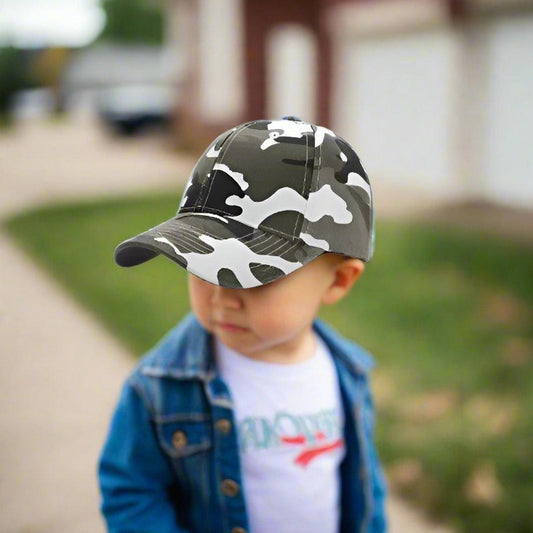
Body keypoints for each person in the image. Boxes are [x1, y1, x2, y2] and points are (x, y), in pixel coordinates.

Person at [98, 117, 388, 533]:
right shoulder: (159, 388)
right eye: (200, 267)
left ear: (338, 280)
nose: (221, 298)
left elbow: (365, 486)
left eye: (252, 275)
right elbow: (132, 490)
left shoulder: (348, 374)